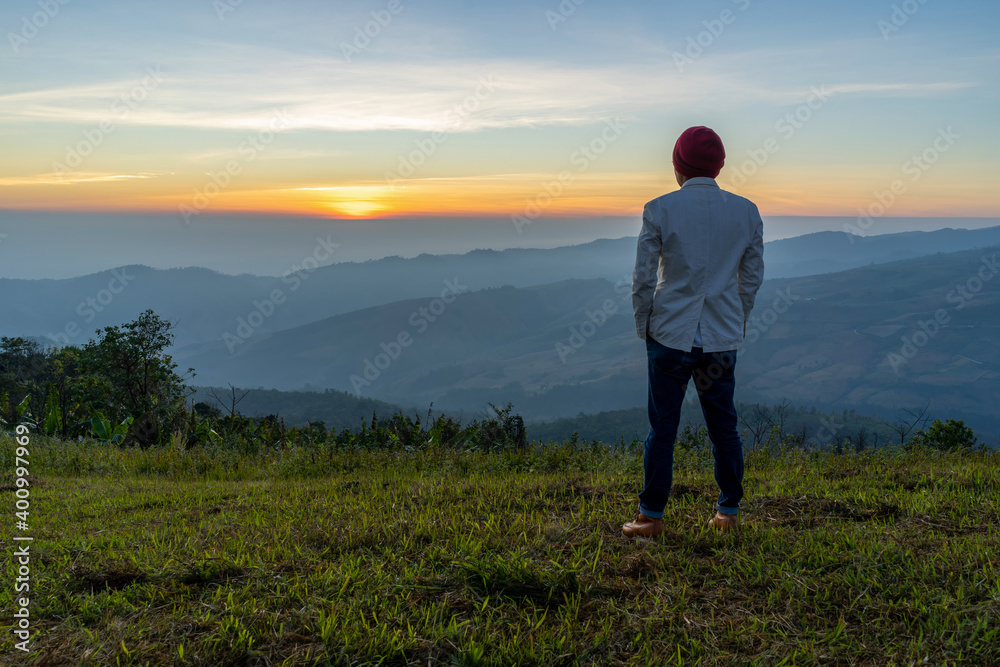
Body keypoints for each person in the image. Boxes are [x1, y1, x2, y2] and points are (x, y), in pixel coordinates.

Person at [623, 126, 764, 538]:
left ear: (677, 165)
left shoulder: (659, 209)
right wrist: (735, 322)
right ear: (719, 166)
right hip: (721, 336)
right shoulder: (747, 211)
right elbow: (751, 280)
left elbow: (642, 279)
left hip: (668, 333)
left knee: (662, 427)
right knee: (724, 427)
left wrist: (643, 324)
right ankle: (728, 514)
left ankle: (650, 517)